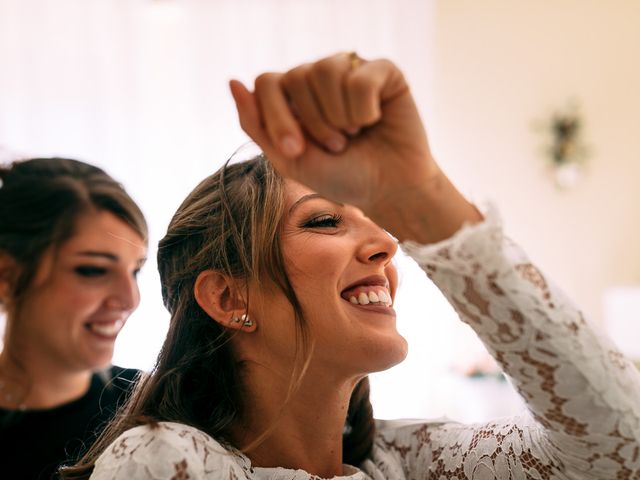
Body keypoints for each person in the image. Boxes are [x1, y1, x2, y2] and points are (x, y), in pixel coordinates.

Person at [66, 53, 639, 479]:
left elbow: (623, 442)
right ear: (227, 298)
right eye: (323, 221)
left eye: (383, 219)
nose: (389, 245)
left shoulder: (412, 463)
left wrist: (421, 193)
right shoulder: (167, 459)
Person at [0, 158, 148, 479]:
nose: (130, 299)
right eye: (93, 270)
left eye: (135, 270)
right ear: (7, 276)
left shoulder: (153, 412)